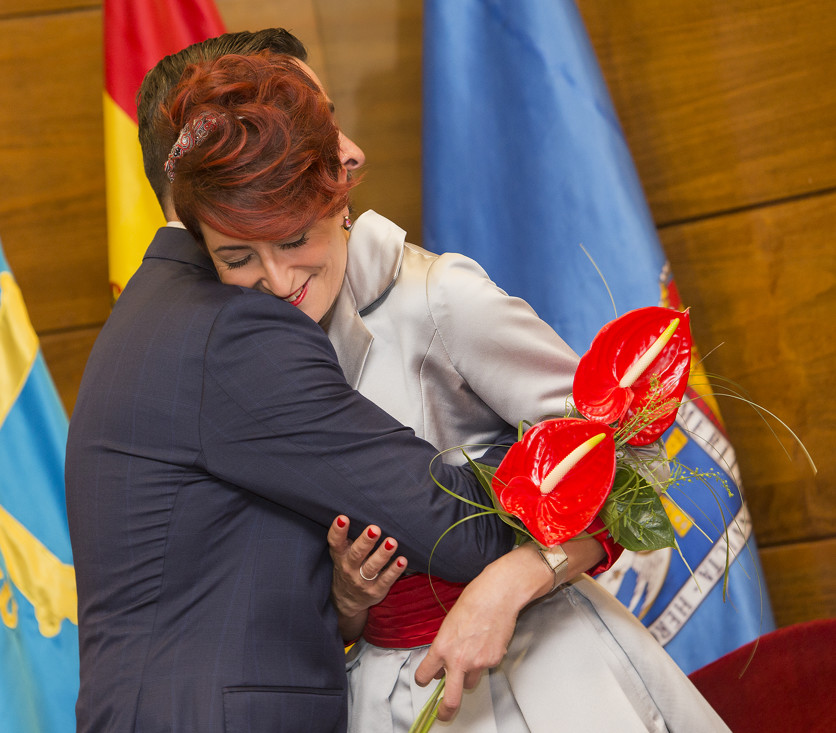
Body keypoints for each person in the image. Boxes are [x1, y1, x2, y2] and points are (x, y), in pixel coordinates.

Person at [159, 51, 731, 732]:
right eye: (237, 257)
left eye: (293, 239)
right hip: (381, 696)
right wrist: (348, 596)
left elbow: (628, 465)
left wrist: (506, 583)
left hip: (539, 671)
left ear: (336, 191)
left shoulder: (440, 298)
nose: (279, 280)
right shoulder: (242, 364)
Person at [66, 38, 526, 733]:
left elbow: (249, 574)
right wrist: (545, 449)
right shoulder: (235, 328)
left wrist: (347, 593)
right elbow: (453, 528)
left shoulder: (161, 307)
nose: (347, 152)